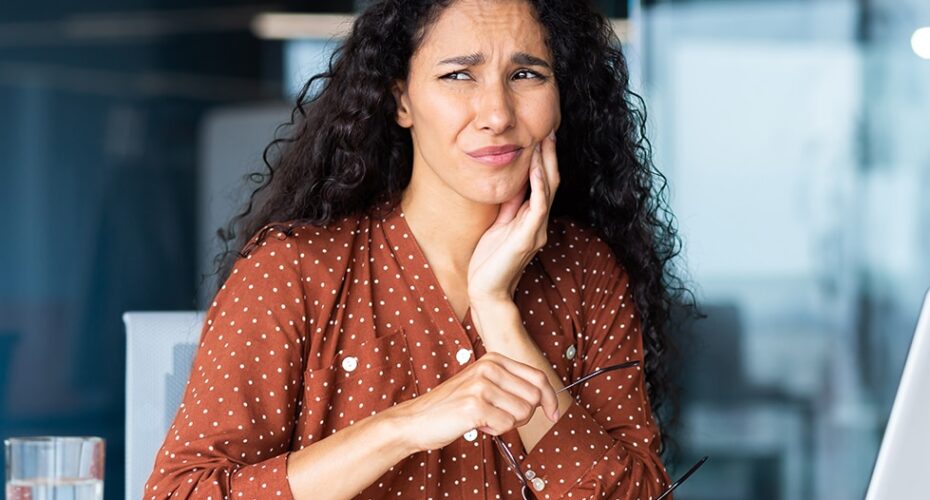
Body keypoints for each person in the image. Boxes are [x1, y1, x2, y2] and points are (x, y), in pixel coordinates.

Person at [144, 0, 695, 498]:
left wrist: (499, 316)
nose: (498, 114)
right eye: (459, 75)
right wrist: (402, 426)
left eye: (526, 74)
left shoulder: (587, 272)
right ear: (401, 99)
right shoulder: (293, 271)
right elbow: (180, 494)